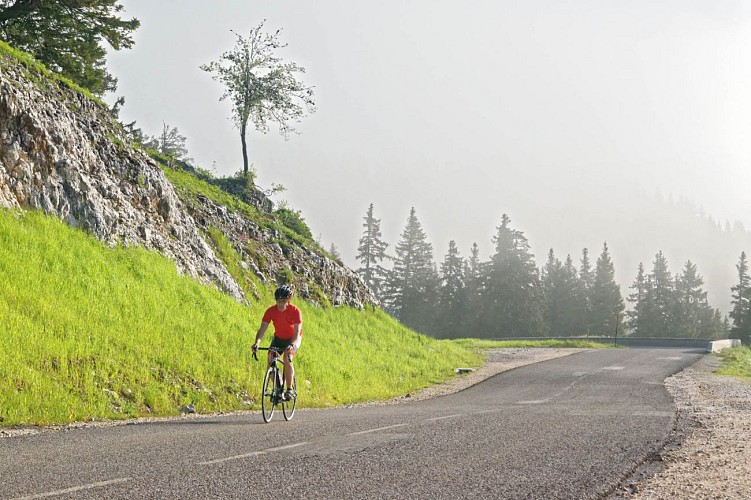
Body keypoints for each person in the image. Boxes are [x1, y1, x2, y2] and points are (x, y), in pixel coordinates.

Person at [252, 284, 302, 401]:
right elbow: (262, 329)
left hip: (293, 338)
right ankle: (279, 389)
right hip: (278, 339)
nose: (280, 304)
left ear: (289, 299)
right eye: (278, 301)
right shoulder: (271, 311)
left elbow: (297, 333)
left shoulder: (295, 311)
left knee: (287, 357)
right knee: (270, 359)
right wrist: (257, 343)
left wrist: (292, 345)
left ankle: (289, 390)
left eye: (283, 301)